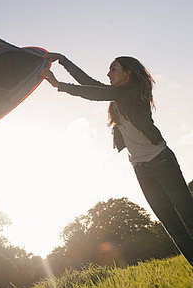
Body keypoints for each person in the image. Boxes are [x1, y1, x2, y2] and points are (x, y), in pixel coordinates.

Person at [39, 53, 193, 266]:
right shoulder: (117, 94)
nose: (108, 73)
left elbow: (94, 93)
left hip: (161, 161)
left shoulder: (132, 92)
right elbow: (91, 84)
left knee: (189, 216)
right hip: (141, 168)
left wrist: (59, 84)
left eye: (114, 69)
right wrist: (64, 61)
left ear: (128, 73)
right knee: (172, 226)